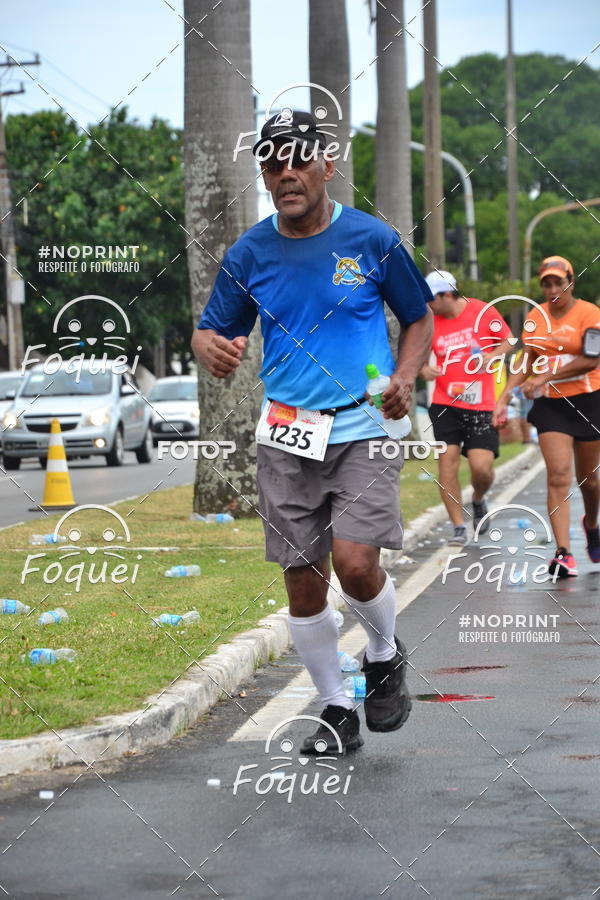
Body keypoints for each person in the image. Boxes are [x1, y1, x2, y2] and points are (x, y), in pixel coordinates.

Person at [192, 110, 433, 754]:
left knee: (355, 565)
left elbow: (417, 317)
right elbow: (213, 326)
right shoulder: (251, 252)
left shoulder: (371, 239)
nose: (287, 173)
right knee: (302, 577)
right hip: (287, 435)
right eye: (273, 163)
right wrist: (209, 346)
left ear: (328, 165)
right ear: (265, 175)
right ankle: (335, 708)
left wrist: (406, 374)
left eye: (299, 159)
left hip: (363, 425)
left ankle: (383, 651)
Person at [493, 256, 600, 577]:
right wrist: (504, 397)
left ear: (571, 282)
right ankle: (563, 553)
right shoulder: (535, 316)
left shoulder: (590, 314)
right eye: (547, 283)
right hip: (552, 406)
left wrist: (545, 378)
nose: (554, 289)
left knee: (589, 481)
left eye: (559, 282)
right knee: (557, 475)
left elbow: (591, 359)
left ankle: (591, 525)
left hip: (589, 400)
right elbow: (527, 362)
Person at [420, 270, 514, 545]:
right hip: (444, 402)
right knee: (447, 463)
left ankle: (478, 498)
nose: (428, 305)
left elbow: (509, 341)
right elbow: (420, 359)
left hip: (480, 404)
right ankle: (459, 526)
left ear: (447, 295)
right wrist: (425, 371)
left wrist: (491, 355)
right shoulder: (429, 322)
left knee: (481, 468)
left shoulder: (482, 311)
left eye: (432, 299)